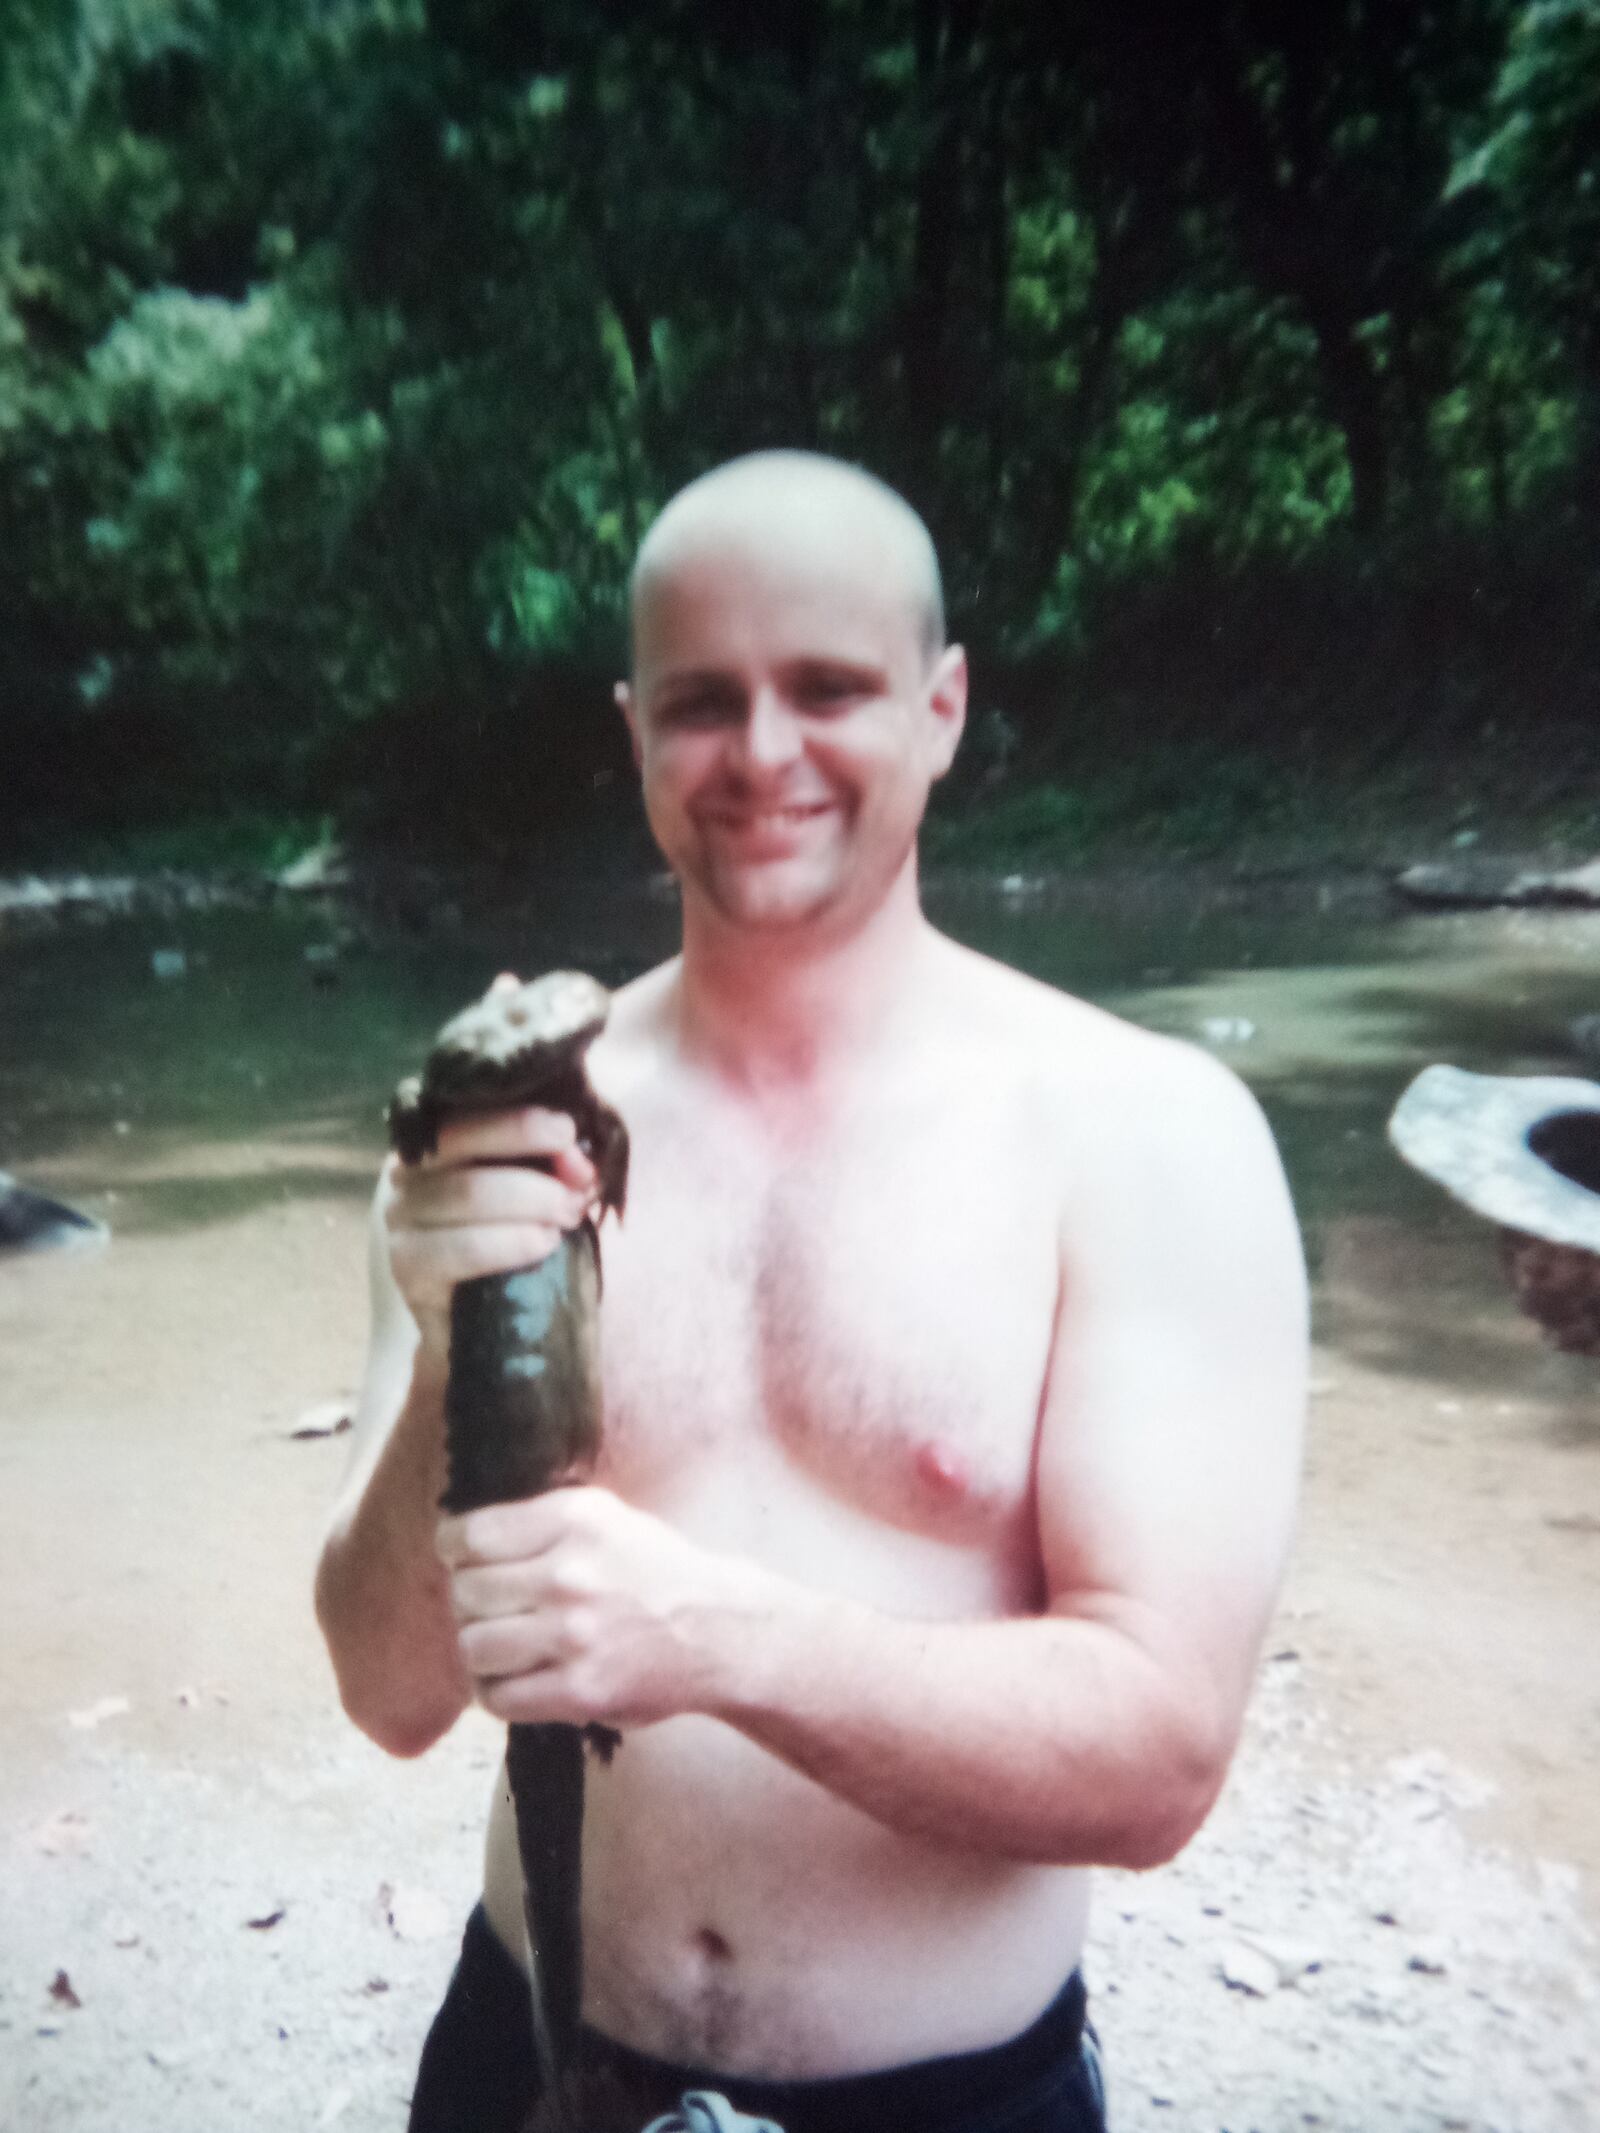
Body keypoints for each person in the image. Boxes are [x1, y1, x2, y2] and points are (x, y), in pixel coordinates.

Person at [314, 450, 1308, 2133]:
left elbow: (1157, 1758)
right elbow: (387, 1684)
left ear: (942, 705)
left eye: (828, 688)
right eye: (704, 700)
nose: (764, 753)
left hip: (952, 2095)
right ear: (634, 730)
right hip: (536, 2066)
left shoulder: (1147, 1136)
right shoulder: (501, 1125)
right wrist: (441, 1348)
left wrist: (712, 1636)